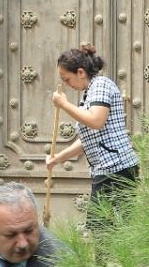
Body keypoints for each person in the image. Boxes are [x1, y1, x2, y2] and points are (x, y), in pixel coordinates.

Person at [44, 44, 140, 226]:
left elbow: (96, 121)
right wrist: (58, 158)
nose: (67, 85)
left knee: (105, 231)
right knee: (104, 230)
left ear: (80, 72)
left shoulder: (101, 85)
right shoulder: (89, 93)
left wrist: (64, 104)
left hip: (116, 169)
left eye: (67, 79)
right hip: (107, 170)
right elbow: (88, 140)